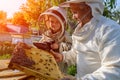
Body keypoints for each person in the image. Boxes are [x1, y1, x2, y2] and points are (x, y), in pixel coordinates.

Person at [50, 0, 120, 80]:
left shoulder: (110, 30)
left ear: (89, 8)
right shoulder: (81, 30)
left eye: (75, 12)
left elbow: (114, 71)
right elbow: (77, 53)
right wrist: (63, 56)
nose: (73, 17)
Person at [37, 6, 72, 73]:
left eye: (57, 22)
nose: (54, 24)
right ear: (48, 21)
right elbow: (41, 43)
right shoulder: (47, 33)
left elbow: (71, 47)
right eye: (52, 21)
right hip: (46, 62)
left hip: (59, 65)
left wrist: (59, 46)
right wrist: (42, 44)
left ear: (62, 23)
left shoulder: (65, 35)